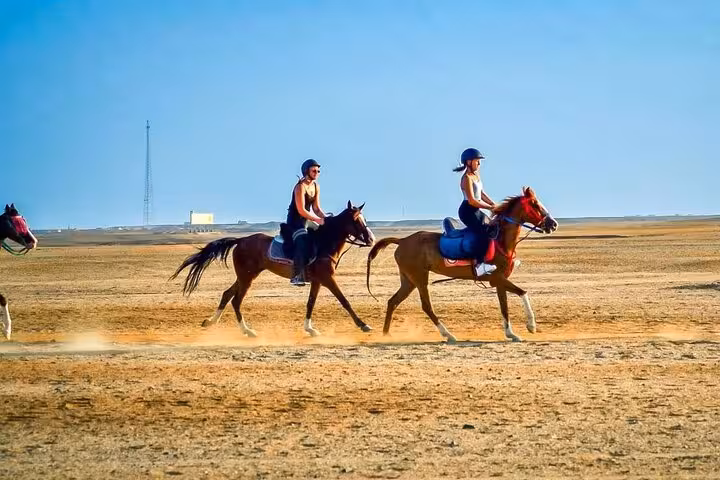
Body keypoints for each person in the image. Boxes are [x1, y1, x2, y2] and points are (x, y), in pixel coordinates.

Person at [454, 148, 497, 276]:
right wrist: (489, 208)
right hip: (468, 211)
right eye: (477, 161)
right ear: (468, 162)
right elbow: (472, 200)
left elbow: (481, 193)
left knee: (494, 228)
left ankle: (495, 259)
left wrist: (493, 204)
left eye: (479, 161)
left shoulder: (476, 176)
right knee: (482, 233)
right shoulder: (466, 178)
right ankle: (479, 265)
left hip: (476, 210)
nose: (479, 164)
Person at [286, 159, 327, 286]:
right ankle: (297, 275)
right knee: (302, 241)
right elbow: (301, 210)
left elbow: (316, 208)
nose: (317, 173)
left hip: (307, 220)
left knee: (324, 235)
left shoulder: (316, 186)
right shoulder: (300, 187)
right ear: (306, 171)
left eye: (318, 171)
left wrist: (326, 219)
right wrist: (317, 219)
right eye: (314, 170)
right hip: (295, 221)